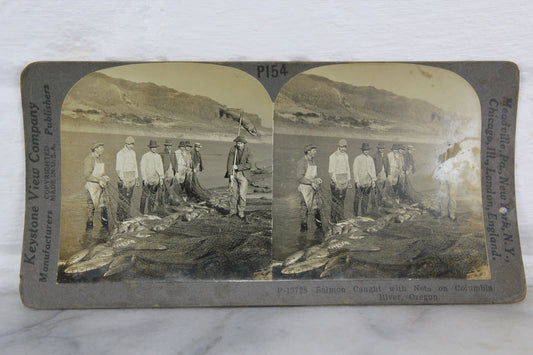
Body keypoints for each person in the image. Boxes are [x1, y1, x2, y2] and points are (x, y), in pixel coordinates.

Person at [225, 135, 253, 220]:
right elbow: (229, 162)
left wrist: (238, 167)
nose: (239, 144)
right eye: (237, 143)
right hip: (233, 174)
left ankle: (241, 212)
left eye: (240, 143)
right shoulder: (233, 149)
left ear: (244, 143)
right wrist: (230, 174)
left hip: (243, 175)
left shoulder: (248, 151)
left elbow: (249, 164)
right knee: (233, 194)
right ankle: (232, 211)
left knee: (241, 194)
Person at [84, 142, 110, 230]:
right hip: (92, 187)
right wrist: (99, 180)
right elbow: (87, 176)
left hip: (101, 186)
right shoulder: (89, 159)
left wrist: (105, 177)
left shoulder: (100, 159)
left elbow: (101, 173)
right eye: (101, 148)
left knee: (104, 206)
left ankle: (105, 228)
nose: (103, 149)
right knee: (91, 208)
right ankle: (89, 230)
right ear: (96, 149)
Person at [297, 144, 323, 232]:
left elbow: (313, 175)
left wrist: (317, 179)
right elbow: (300, 178)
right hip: (305, 189)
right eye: (314, 150)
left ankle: (319, 228)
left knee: (316, 208)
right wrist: (311, 182)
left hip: (313, 188)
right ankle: (303, 229)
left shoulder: (312, 161)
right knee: (304, 209)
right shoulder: (302, 162)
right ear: (308, 152)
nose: (316, 152)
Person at [115, 136, 139, 221]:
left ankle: (127, 215)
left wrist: (136, 179)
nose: (131, 146)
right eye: (129, 144)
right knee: (122, 198)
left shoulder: (133, 153)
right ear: (126, 144)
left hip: (131, 178)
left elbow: (135, 166)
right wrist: (123, 179)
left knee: (129, 198)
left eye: (132, 144)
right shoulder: (120, 153)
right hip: (123, 179)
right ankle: (120, 217)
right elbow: (118, 168)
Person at [328, 139, 351, 223]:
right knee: (335, 200)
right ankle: (333, 219)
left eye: (344, 147)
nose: (343, 149)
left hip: (344, 180)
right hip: (336, 181)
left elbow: (347, 168)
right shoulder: (333, 156)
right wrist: (335, 182)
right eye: (341, 147)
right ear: (339, 146)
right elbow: (331, 171)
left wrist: (349, 180)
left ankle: (340, 217)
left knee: (342, 200)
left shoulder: (346, 155)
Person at [140, 140, 164, 214]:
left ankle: (150, 212)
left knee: (153, 196)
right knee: (144, 196)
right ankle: (141, 212)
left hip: (156, 179)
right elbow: (142, 167)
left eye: (155, 147)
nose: (154, 149)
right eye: (152, 147)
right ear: (150, 148)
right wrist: (144, 178)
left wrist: (161, 178)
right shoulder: (145, 156)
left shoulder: (158, 156)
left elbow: (161, 167)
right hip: (147, 179)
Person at [353, 143, 376, 216]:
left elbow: (373, 170)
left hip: (368, 181)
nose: (366, 151)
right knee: (357, 197)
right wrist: (356, 181)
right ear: (362, 150)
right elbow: (355, 170)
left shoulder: (370, 159)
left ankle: (364, 213)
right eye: (365, 150)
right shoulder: (358, 158)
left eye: (367, 150)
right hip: (360, 181)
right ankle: (355, 214)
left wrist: (373, 180)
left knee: (366, 197)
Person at [160, 139, 178, 205]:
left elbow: (176, 163)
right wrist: (161, 173)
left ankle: (168, 202)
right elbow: (160, 164)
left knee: (171, 187)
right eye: (167, 146)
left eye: (170, 146)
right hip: (165, 171)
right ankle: (163, 202)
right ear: (165, 146)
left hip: (171, 171)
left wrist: (176, 171)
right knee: (164, 188)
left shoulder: (173, 153)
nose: (168, 147)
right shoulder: (162, 153)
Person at [372, 142, 390, 208]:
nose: (382, 149)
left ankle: (381, 203)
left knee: (383, 189)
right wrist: (374, 176)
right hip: (377, 174)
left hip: (384, 173)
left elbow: (388, 165)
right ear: (378, 149)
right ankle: (377, 205)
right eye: (380, 148)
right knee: (377, 190)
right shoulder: (374, 156)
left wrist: (388, 173)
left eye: (383, 148)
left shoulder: (385, 155)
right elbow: (373, 166)